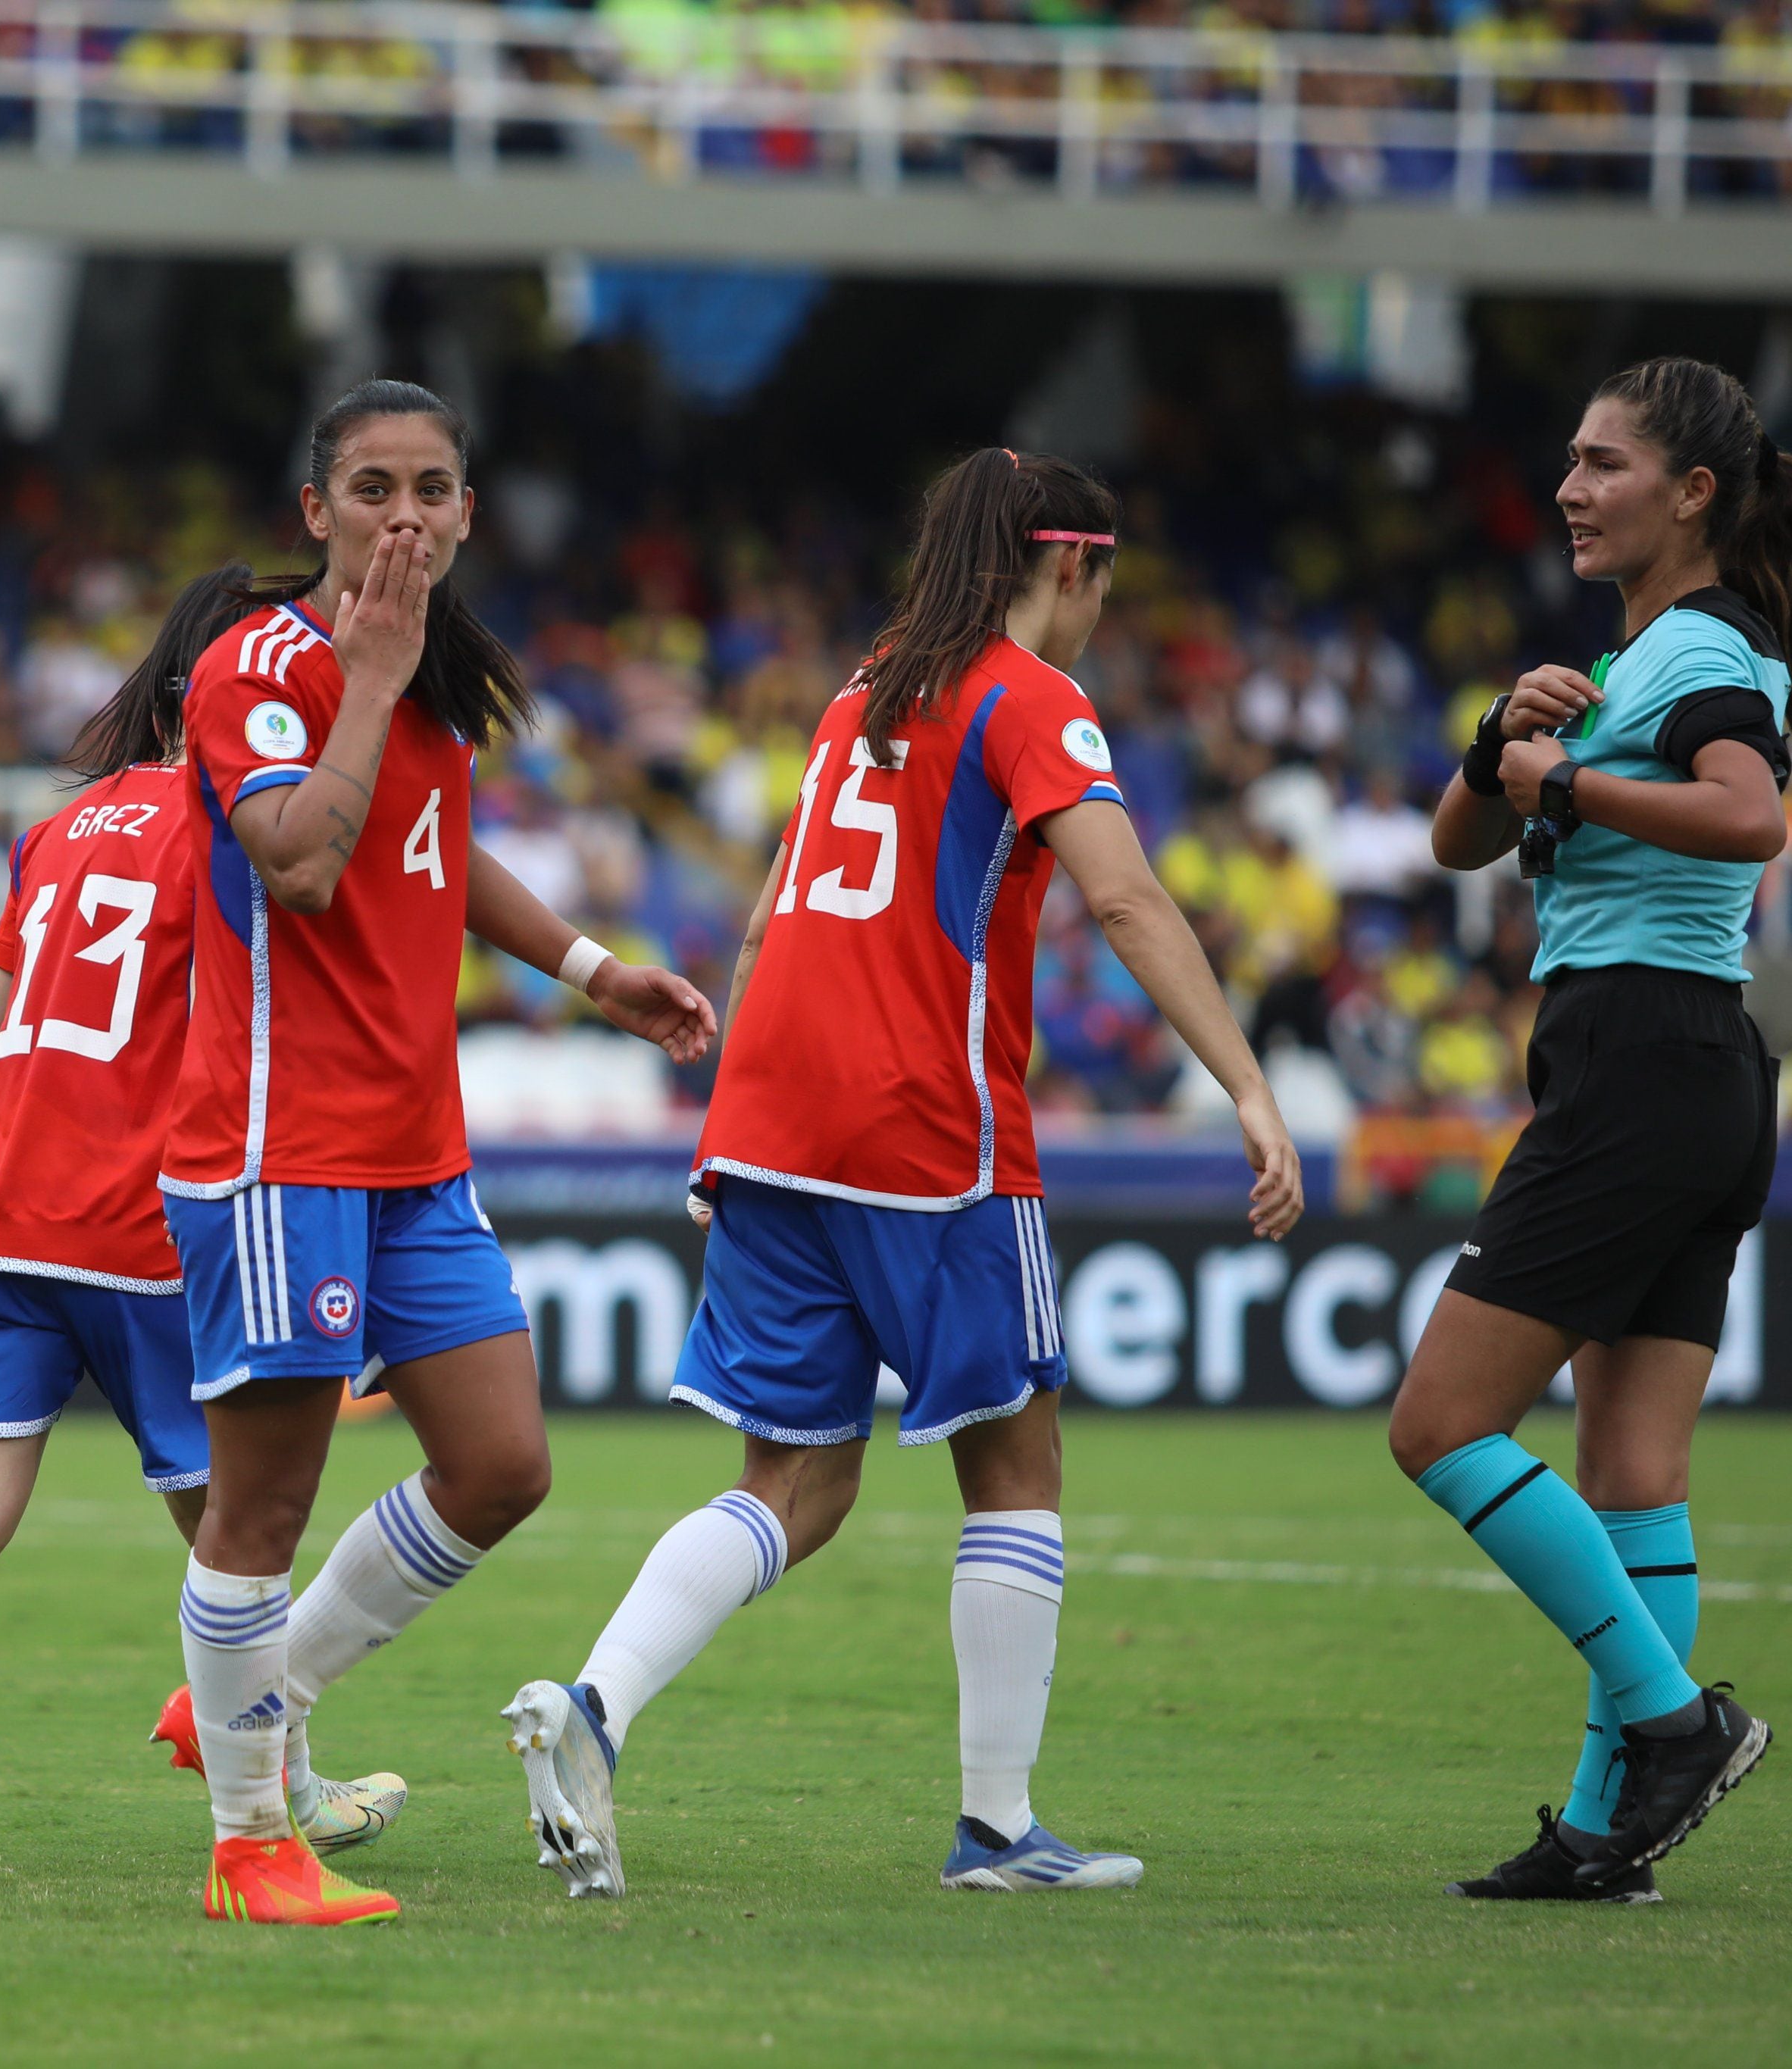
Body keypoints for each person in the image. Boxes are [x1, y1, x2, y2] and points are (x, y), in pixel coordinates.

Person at [507, 448, 1303, 1899]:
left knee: (796, 1479)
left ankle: (594, 1709)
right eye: (1102, 586)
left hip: (773, 1124)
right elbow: (1122, 894)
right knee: (1016, 1462)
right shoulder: (1028, 699)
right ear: (1068, 564)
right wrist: (1248, 1086)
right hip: (930, 1131)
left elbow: (762, 923)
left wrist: (743, 1105)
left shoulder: (856, 698)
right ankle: (998, 1829)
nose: (1097, 619)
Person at [158, 381, 718, 1927]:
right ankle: (247, 1842)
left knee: (498, 1462)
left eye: (430, 488)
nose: (401, 514)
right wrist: (371, 672)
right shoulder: (261, 670)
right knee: (257, 1507)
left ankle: (251, 1695)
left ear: (467, 510)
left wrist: (592, 967)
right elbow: (303, 862)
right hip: (281, 1150)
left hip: (412, 1149)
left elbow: (430, 846)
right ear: (315, 515)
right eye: (370, 488)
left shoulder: (421, 682)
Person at [0, 570, 405, 1883]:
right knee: (241, 1537)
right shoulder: (234, 828)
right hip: (147, 1233)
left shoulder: (63, 825)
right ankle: (288, 1786)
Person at [1403, 357, 1792, 1902]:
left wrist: (1564, 775)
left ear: (1689, 494)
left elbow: (1748, 815)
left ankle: (1669, 1725)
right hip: (1679, 1073)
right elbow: (1462, 841)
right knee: (1629, 1468)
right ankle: (1601, 1834)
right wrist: (1497, 740)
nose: (1569, 489)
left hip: (1640, 1060)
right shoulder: (1620, 660)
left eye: (1602, 465)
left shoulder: (1704, 651)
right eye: (1567, 462)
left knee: (1437, 1425)